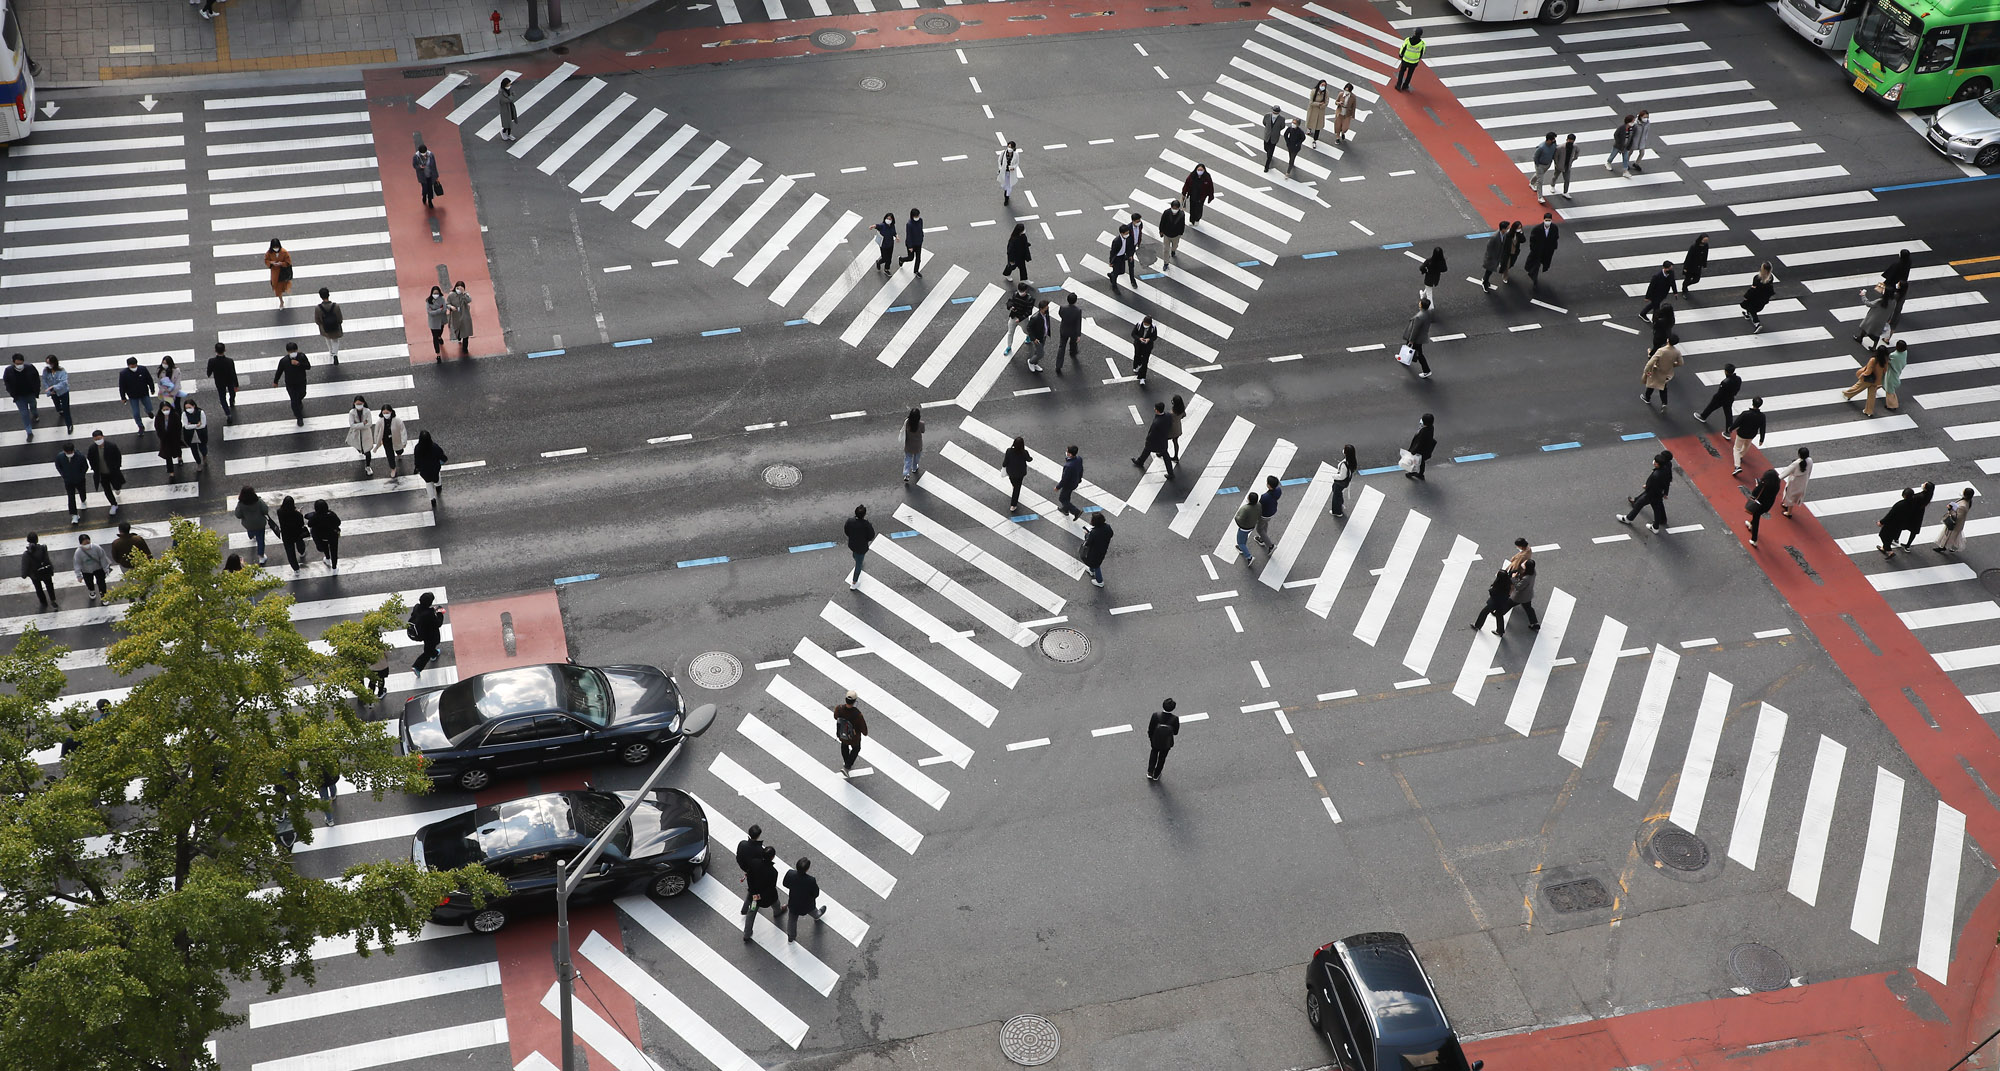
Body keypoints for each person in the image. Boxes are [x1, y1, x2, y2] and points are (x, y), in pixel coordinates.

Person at [1617, 451, 1674, 532]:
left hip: (1652, 494)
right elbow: (1668, 480)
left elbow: (1652, 485)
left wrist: (1647, 487)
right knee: (1657, 507)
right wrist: (1665, 492)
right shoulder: (1667, 466)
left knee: (1640, 504)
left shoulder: (1656, 474)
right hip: (1659, 492)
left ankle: (1628, 518)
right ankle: (1659, 523)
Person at [1877, 482, 1935, 557]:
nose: (1923, 484)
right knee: (1913, 530)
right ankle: (1906, 545)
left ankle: (1892, 544)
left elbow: (1891, 514)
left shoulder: (1916, 498)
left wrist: (1882, 522)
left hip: (1912, 514)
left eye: (1925, 484)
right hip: (1918, 514)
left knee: (1897, 528)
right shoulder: (1928, 495)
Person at [742, 844, 781, 941]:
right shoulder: (773, 872)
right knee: (776, 903)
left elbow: (749, 877)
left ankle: (747, 934)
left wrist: (754, 893)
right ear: (772, 857)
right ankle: (778, 912)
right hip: (767, 897)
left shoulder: (754, 863)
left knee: (752, 911)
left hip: (754, 895)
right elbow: (771, 888)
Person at [781, 858, 826, 942]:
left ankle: (791, 936)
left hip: (794, 902)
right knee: (814, 912)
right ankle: (817, 916)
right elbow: (816, 893)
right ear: (807, 869)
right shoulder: (811, 880)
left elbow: (785, 884)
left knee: (792, 920)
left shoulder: (790, 873)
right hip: (807, 904)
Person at [1132, 400, 1175, 478]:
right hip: (1163, 440)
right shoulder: (1168, 416)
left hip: (1155, 441)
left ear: (1157, 410)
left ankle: (1140, 461)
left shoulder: (1157, 422)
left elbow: (1152, 434)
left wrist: (1148, 439)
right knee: (1165, 455)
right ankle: (1170, 473)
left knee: (1147, 449)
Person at [1640, 334, 1682, 412]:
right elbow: (1681, 363)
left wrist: (1646, 370)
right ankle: (1664, 403)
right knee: (1663, 387)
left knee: (1651, 384)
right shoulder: (1677, 352)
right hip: (1667, 372)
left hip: (1657, 370)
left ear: (1667, 340)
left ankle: (1647, 398)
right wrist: (1672, 365)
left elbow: (1651, 362)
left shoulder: (1661, 351)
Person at [1841, 346, 1887, 416]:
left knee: (1857, 386)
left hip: (1869, 379)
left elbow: (1868, 371)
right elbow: (1885, 371)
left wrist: (1862, 374)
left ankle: (1847, 394)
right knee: (1872, 396)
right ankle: (1869, 411)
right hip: (1877, 381)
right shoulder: (1885, 361)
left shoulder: (1873, 360)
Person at [272, 343, 310, 426]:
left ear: (297, 350)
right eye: (290, 351)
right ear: (287, 352)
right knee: (294, 400)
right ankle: (299, 417)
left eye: (294, 351)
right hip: (290, 384)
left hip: (301, 381)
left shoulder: (302, 356)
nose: (292, 353)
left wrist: (299, 364)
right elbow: (279, 371)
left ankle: (299, 401)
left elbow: (308, 366)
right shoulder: (284, 361)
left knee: (302, 393)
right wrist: (276, 381)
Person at [87, 430, 123, 516]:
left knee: (117, 485)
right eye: (96, 439)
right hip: (102, 474)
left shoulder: (111, 446)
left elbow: (118, 456)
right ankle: (113, 504)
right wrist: (95, 469)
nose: (98, 441)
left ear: (103, 437)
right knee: (107, 490)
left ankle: (117, 488)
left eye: (99, 438)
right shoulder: (92, 449)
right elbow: (90, 459)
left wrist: (117, 467)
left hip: (113, 472)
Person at [1468, 568, 1513, 637]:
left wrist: (1491, 589)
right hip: (1503, 601)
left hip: (1495, 602)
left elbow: (1493, 592)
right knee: (1499, 615)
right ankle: (1500, 631)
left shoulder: (1499, 584)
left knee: (1484, 612)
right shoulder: (1507, 582)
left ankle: (1478, 625)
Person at [1695, 363, 1742, 428]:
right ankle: (1728, 430)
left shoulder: (1725, 382)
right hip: (1730, 398)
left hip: (1721, 399)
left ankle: (1703, 416)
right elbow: (1737, 388)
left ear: (1726, 371)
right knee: (1728, 415)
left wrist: (1715, 397)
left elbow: (1720, 393)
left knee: (1711, 406)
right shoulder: (1738, 379)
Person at [1727, 397, 1766, 474]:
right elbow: (1763, 428)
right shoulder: (1762, 416)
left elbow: (1737, 423)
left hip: (1741, 434)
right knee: (1746, 446)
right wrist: (1761, 439)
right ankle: (1740, 456)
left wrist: (1731, 429)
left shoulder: (1745, 414)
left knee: (1736, 448)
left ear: (1752, 403)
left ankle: (1737, 466)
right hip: (1751, 435)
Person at [1745, 467, 1781, 547]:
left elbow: (1755, 493)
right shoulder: (1777, 485)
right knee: (1756, 516)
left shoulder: (1764, 485)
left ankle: (1754, 539)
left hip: (1759, 504)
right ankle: (1751, 524)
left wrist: (1758, 485)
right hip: (1768, 505)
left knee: (1756, 518)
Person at [410, 592, 445, 674]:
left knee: (430, 647)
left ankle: (434, 654)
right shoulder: (429, 614)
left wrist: (433, 610)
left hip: (421, 632)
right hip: (430, 635)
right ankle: (417, 667)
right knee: (428, 651)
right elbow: (438, 623)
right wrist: (440, 613)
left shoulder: (417, 607)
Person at [833, 691, 867, 775]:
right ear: (855, 701)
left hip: (842, 734)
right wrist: (865, 733)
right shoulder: (857, 714)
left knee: (844, 745)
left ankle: (846, 761)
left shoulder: (839, 708)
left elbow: (835, 717)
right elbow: (863, 729)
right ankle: (847, 766)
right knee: (856, 748)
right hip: (853, 737)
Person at [1934, 488, 1976, 555]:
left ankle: (1943, 547)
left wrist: (1950, 509)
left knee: (1948, 535)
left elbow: (1957, 516)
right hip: (1958, 524)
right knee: (1954, 536)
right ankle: (1951, 546)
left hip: (1955, 524)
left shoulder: (1963, 505)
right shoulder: (1967, 501)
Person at [117, 357, 155, 433]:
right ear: (128, 365)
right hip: (132, 396)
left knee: (149, 407)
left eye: (135, 365)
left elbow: (149, 379)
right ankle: (140, 426)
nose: (134, 367)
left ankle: (148, 411)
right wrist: (123, 397)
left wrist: (152, 389)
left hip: (144, 393)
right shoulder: (123, 374)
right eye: (132, 366)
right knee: (136, 413)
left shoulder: (143, 369)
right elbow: (122, 386)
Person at [234, 487, 270, 565]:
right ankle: (261, 557)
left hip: (248, 524)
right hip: (260, 524)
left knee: (250, 530)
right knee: (260, 540)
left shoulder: (240, 504)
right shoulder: (259, 501)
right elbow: (265, 510)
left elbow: (238, 515)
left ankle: (251, 536)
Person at [20, 534, 56, 611]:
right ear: (37, 539)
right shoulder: (43, 548)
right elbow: (47, 559)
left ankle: (43, 602)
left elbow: (25, 565)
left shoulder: (26, 554)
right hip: (46, 571)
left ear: (28, 541)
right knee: (49, 585)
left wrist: (24, 575)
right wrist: (51, 568)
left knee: (38, 588)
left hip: (35, 574)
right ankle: (52, 599)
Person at [55, 442, 90, 524]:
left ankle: (83, 500)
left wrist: (80, 475)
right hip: (68, 481)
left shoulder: (80, 456)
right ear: (64, 451)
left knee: (82, 491)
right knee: (71, 497)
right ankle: (74, 514)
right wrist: (64, 475)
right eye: (67, 452)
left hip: (80, 480)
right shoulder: (60, 457)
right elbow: (58, 466)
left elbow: (85, 467)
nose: (69, 454)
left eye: (70, 452)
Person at [1146, 698, 1179, 781]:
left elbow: (1150, 729)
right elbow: (1175, 732)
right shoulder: (1175, 719)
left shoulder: (1155, 715)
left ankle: (1150, 772)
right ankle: (1156, 774)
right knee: (1162, 758)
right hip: (1166, 743)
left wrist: (1151, 739)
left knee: (1154, 754)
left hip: (1155, 740)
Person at [735, 825, 766, 912]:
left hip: (747, 870)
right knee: (754, 892)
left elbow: (738, 858)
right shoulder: (760, 850)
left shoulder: (742, 844)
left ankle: (745, 909)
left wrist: (746, 869)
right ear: (758, 836)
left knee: (752, 890)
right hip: (756, 874)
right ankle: (749, 909)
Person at [345, 396, 380, 476]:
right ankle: (360, 450)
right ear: (354, 403)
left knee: (367, 452)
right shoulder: (352, 412)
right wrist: (363, 424)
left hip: (366, 434)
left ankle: (368, 466)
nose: (359, 405)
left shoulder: (367, 411)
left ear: (363, 403)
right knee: (358, 446)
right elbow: (352, 425)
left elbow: (369, 424)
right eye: (357, 404)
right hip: (356, 434)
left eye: (360, 404)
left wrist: (358, 425)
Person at [276, 495, 310, 571]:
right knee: (300, 543)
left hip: (286, 534)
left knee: (290, 553)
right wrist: (299, 512)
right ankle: (301, 552)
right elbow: (301, 524)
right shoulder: (298, 515)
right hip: (297, 533)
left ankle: (296, 569)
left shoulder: (279, 512)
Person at [73, 534, 110, 603]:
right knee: (89, 582)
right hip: (86, 571)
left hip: (98, 568)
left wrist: (106, 568)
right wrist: (78, 575)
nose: (87, 545)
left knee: (101, 583)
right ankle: (91, 590)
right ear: (81, 544)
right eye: (85, 543)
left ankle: (103, 595)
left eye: (88, 542)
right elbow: (77, 564)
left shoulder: (97, 548)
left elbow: (103, 558)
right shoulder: (78, 552)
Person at [414, 430, 448, 507]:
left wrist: (417, 467)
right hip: (434, 467)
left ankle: (432, 499)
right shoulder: (434, 447)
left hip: (424, 470)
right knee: (437, 475)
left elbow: (417, 460)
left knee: (428, 483)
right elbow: (442, 456)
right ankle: (438, 486)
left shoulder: (418, 448)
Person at [1402, 297, 1434, 379]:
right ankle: (1403, 357)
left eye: (1420, 302)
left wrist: (1411, 340)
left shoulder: (1419, 317)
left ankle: (1426, 370)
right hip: (1422, 335)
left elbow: (1415, 330)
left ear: (1421, 305)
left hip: (1417, 338)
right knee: (1409, 346)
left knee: (1419, 354)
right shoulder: (1428, 313)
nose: (1419, 303)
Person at [844, 505, 875, 587]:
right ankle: (854, 583)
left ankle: (857, 559)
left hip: (852, 544)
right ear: (864, 514)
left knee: (855, 555)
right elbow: (871, 536)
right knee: (858, 565)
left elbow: (846, 531)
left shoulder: (850, 521)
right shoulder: (866, 525)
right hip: (861, 547)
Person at [1740, 263, 1777, 332]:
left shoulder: (1757, 278)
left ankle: (1757, 324)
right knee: (1749, 307)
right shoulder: (1771, 277)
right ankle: (1748, 315)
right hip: (1763, 299)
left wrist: (1746, 296)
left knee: (1751, 309)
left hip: (1755, 298)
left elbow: (1753, 289)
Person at [307, 499, 342, 570]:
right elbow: (338, 522)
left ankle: (327, 558)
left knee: (325, 547)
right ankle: (334, 567)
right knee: (334, 551)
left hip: (321, 536)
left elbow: (309, 524)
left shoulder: (315, 516)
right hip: (332, 535)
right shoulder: (331, 514)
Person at [1855, 283, 1894, 349]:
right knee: (1876, 333)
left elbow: (1869, 304)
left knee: (1867, 329)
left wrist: (1863, 296)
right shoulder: (1893, 301)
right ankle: (1873, 346)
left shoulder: (1880, 301)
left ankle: (1861, 339)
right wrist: (1889, 319)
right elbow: (1892, 311)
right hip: (1882, 320)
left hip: (1873, 319)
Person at [1002, 280, 1035, 356]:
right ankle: (1009, 347)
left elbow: (1029, 312)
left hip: (1023, 319)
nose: (1020, 292)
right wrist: (1010, 306)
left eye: (1022, 291)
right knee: (1010, 332)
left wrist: (1020, 319)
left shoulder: (1030, 299)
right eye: (1020, 291)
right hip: (1013, 317)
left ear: (1026, 290)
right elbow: (1010, 302)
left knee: (1025, 330)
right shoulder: (1015, 294)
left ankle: (1028, 336)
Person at [153, 403, 184, 482]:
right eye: (164, 410)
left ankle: (179, 457)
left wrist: (177, 436)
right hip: (165, 439)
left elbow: (179, 426)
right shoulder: (159, 417)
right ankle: (171, 472)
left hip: (174, 437)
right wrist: (161, 436)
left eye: (167, 409)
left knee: (177, 448)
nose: (166, 411)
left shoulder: (175, 416)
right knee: (168, 455)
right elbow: (157, 427)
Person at [1881, 249, 1912, 327]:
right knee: (1899, 302)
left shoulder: (1897, 264)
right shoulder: (1908, 262)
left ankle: (1887, 316)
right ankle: (1895, 317)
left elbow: (1889, 275)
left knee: (1889, 299)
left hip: (1893, 284)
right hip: (1902, 284)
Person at [1526, 213, 1559, 288]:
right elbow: (1532, 240)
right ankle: (1534, 279)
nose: (1548, 222)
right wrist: (1534, 249)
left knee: (1543, 263)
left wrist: (1553, 247)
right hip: (1538, 251)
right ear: (1543, 220)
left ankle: (1532, 274)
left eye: (1549, 220)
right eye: (1546, 220)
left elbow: (1556, 237)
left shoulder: (1554, 228)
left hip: (1547, 251)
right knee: (1536, 265)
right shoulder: (1537, 229)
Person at [206, 343, 239, 417]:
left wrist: (209, 373)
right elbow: (233, 373)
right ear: (225, 350)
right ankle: (231, 401)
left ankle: (228, 414)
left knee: (222, 397)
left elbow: (208, 372)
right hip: (229, 380)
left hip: (219, 382)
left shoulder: (212, 361)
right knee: (232, 393)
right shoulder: (229, 361)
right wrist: (236, 385)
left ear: (215, 350)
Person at [1508, 557, 1540, 631]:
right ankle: (1534, 623)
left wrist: (1513, 578)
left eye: (1524, 563)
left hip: (1520, 597)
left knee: (1508, 604)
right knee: (1528, 608)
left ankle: (1499, 613)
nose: (1523, 563)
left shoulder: (1526, 578)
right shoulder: (1533, 572)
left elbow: (1518, 587)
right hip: (1528, 595)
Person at [1779, 447, 1812, 518]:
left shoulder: (1796, 463)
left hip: (1794, 481)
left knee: (1790, 495)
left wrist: (1777, 478)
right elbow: (1809, 471)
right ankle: (1786, 505)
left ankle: (1789, 513)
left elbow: (1786, 472)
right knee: (1795, 496)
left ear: (1799, 454)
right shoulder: (1810, 461)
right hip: (1803, 481)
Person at [378, 405, 409, 480]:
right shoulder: (380, 421)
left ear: (391, 412)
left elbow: (403, 431)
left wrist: (404, 442)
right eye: (384, 413)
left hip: (396, 439)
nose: (385, 414)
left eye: (387, 413)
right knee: (389, 455)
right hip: (386, 441)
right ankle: (393, 468)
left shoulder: (397, 421)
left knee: (399, 450)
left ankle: (399, 453)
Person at [1082, 512, 1113, 588]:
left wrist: (1087, 534)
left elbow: (1088, 542)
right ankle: (1091, 570)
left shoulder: (1094, 533)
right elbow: (1111, 534)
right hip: (1103, 549)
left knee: (1096, 565)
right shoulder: (1107, 527)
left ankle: (1100, 581)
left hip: (1094, 552)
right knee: (1094, 563)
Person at [41, 355, 71, 433]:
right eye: (47, 363)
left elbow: (64, 382)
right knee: (57, 405)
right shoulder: (46, 371)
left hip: (63, 392)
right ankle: (60, 410)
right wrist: (49, 391)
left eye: (50, 363)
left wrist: (54, 387)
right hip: (53, 393)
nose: (48, 365)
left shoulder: (62, 371)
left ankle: (69, 425)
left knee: (66, 409)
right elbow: (44, 381)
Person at [315, 287, 344, 364]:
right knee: (335, 340)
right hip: (335, 327)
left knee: (327, 339)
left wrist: (321, 325)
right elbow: (340, 318)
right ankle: (335, 354)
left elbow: (317, 320)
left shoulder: (318, 308)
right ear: (329, 295)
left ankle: (331, 352)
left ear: (320, 296)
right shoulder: (336, 306)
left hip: (325, 328)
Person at [1232, 489, 1260, 565]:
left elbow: (1238, 519)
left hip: (1244, 528)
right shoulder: (1258, 505)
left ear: (1249, 499)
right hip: (1252, 525)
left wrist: (1237, 519)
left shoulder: (1245, 509)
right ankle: (1242, 547)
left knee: (1240, 542)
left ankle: (1249, 557)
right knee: (1244, 537)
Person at [445, 281, 474, 357]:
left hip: (465, 316)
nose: (459, 290)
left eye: (461, 289)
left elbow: (469, 300)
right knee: (457, 330)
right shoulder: (451, 295)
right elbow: (447, 303)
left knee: (466, 333)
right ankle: (458, 337)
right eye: (458, 288)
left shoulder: (465, 295)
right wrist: (451, 307)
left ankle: (465, 348)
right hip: (456, 316)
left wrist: (463, 294)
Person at [1406, 413, 1437, 481]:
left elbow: (1419, 443)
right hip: (1426, 449)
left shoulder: (1424, 432)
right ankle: (1421, 474)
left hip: (1420, 451)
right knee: (1422, 462)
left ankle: (1412, 472)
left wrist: (1413, 452)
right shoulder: (1431, 427)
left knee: (1415, 461)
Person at [1003, 435, 1031, 512]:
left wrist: (1004, 466)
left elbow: (1005, 461)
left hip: (1011, 471)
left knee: (1013, 481)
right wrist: (1031, 458)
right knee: (1017, 488)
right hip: (1020, 473)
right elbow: (1029, 459)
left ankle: (1014, 486)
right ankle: (1013, 505)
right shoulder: (1024, 452)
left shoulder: (1009, 451)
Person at [1882, 340, 1911, 411]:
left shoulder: (1893, 355)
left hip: (1891, 373)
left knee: (1890, 391)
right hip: (1897, 371)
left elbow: (1888, 360)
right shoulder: (1905, 352)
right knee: (1886, 384)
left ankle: (1892, 405)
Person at [181, 398, 210, 472]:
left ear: (194, 406)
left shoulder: (201, 412)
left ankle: (204, 456)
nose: (188, 409)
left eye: (189, 407)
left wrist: (191, 425)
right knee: (194, 450)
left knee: (203, 448)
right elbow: (186, 426)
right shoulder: (184, 414)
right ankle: (198, 463)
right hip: (190, 436)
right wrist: (196, 425)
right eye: (186, 408)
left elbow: (203, 425)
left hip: (201, 434)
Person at [1056, 444, 1083, 520]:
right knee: (1067, 496)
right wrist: (1079, 479)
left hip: (1068, 485)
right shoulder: (1079, 459)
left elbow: (1064, 479)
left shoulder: (1069, 466)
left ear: (1070, 454)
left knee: (1062, 498)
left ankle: (1076, 511)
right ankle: (1065, 510)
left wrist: (1058, 487)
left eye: (1067, 451)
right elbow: (1081, 469)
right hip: (1075, 482)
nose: (1066, 452)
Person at [1056, 292, 1082, 372]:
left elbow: (1060, 314)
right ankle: (1073, 352)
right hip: (1073, 331)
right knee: (1073, 343)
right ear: (1075, 301)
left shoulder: (1062, 308)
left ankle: (1058, 365)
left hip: (1064, 329)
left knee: (1062, 347)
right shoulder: (1078, 311)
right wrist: (1078, 334)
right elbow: (1078, 323)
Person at [1256, 474, 1283, 550]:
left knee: (1259, 529)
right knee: (1264, 524)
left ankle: (1270, 546)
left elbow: (1259, 506)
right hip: (1272, 510)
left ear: (1269, 485)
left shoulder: (1265, 497)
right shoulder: (1278, 490)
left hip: (1264, 514)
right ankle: (1262, 538)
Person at [1023, 300, 1050, 374]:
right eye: (1046, 307)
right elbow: (1029, 328)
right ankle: (1031, 362)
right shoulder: (1035, 318)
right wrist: (1034, 338)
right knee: (1040, 354)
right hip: (1037, 339)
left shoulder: (1046, 313)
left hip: (1043, 336)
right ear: (1041, 309)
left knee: (1038, 352)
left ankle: (1035, 363)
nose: (1047, 308)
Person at [264, 238, 292, 308]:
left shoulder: (284, 252)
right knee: (277, 288)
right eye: (274, 247)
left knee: (285, 285)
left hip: (283, 272)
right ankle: (281, 301)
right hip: (275, 273)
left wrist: (281, 263)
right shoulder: (269, 253)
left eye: (277, 247)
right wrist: (271, 263)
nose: (276, 248)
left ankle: (287, 290)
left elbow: (288, 262)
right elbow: (266, 260)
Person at [1531, 132, 1557, 204]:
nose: (1554, 140)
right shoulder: (1541, 147)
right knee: (1540, 181)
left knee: (1539, 175)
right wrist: (1538, 165)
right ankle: (1540, 197)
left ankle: (1531, 182)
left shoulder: (1553, 145)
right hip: (1540, 165)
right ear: (1548, 140)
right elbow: (1535, 157)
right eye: (1553, 139)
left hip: (1547, 164)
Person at [901, 406, 925, 484]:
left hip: (909, 444)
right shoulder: (921, 424)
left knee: (908, 458)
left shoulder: (907, 422)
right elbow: (923, 431)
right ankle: (914, 468)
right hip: (917, 445)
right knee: (916, 458)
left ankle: (906, 473)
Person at [1107, 224, 1136, 289]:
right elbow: (1112, 252)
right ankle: (1114, 285)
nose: (1128, 234)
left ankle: (1111, 274)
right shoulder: (1116, 241)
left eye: (1128, 233)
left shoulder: (1128, 239)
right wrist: (1111, 262)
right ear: (1122, 233)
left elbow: (1129, 248)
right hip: (1116, 258)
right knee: (1116, 273)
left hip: (1122, 256)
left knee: (1122, 271)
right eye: (1126, 233)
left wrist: (1130, 255)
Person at [1331, 444, 1356, 517]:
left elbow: (1342, 476)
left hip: (1340, 483)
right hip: (1346, 482)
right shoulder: (1352, 461)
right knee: (1338, 493)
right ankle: (1340, 504)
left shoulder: (1344, 464)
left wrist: (1333, 476)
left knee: (1336, 496)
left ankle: (1337, 512)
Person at [1130, 315, 1157, 385]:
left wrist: (1149, 339)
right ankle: (1136, 366)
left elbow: (1154, 337)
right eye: (1145, 324)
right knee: (1137, 356)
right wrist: (1139, 338)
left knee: (1145, 361)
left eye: (1147, 324)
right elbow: (1133, 334)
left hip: (1147, 347)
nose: (1145, 325)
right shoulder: (1139, 325)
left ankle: (1142, 377)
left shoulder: (1153, 327)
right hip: (1138, 345)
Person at [1480, 224, 1507, 292]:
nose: (1508, 229)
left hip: (1497, 257)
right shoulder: (1494, 237)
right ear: (1503, 229)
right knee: (1489, 271)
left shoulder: (1503, 235)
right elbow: (1489, 248)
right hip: (1492, 258)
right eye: (1507, 228)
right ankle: (1485, 283)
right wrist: (1491, 258)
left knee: (1490, 271)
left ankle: (1485, 280)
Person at [899, 207, 925, 276]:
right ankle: (901, 259)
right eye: (916, 216)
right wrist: (910, 246)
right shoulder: (909, 224)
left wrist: (922, 237)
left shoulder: (920, 220)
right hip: (911, 244)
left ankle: (916, 271)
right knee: (911, 258)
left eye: (918, 215)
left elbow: (921, 229)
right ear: (912, 216)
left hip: (918, 243)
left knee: (918, 258)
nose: (917, 217)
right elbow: (909, 236)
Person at [413, 144, 440, 209]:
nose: (424, 155)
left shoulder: (431, 155)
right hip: (422, 176)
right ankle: (424, 196)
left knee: (430, 189)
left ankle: (430, 201)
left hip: (430, 175)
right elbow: (414, 165)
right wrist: (420, 167)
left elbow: (434, 166)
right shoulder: (416, 157)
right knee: (425, 188)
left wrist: (436, 176)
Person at [1552, 133, 1578, 199]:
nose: (1570, 142)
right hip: (1560, 165)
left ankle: (1565, 192)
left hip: (1567, 166)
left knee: (1567, 179)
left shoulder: (1575, 146)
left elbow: (1577, 151)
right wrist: (1557, 164)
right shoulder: (1560, 147)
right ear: (1567, 140)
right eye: (1569, 140)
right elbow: (1555, 156)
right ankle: (1552, 185)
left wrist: (1574, 158)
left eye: (1572, 141)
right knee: (1555, 176)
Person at [424, 286, 448, 358]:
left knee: (441, 330)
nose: (436, 295)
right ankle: (438, 353)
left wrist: (435, 311)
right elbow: (430, 312)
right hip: (433, 322)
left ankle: (439, 337)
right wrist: (439, 310)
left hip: (441, 320)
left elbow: (444, 309)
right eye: (434, 293)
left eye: (437, 293)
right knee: (434, 337)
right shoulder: (429, 301)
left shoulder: (442, 299)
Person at [1305, 79, 1331, 144]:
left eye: (1324, 85)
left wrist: (1322, 105)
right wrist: (1319, 104)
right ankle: (1309, 129)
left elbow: (1326, 102)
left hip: (1320, 110)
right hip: (1313, 109)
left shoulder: (1326, 92)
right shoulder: (1314, 91)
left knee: (1318, 125)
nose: (1323, 86)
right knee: (1311, 121)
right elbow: (1311, 102)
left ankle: (1315, 139)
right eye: (1322, 85)